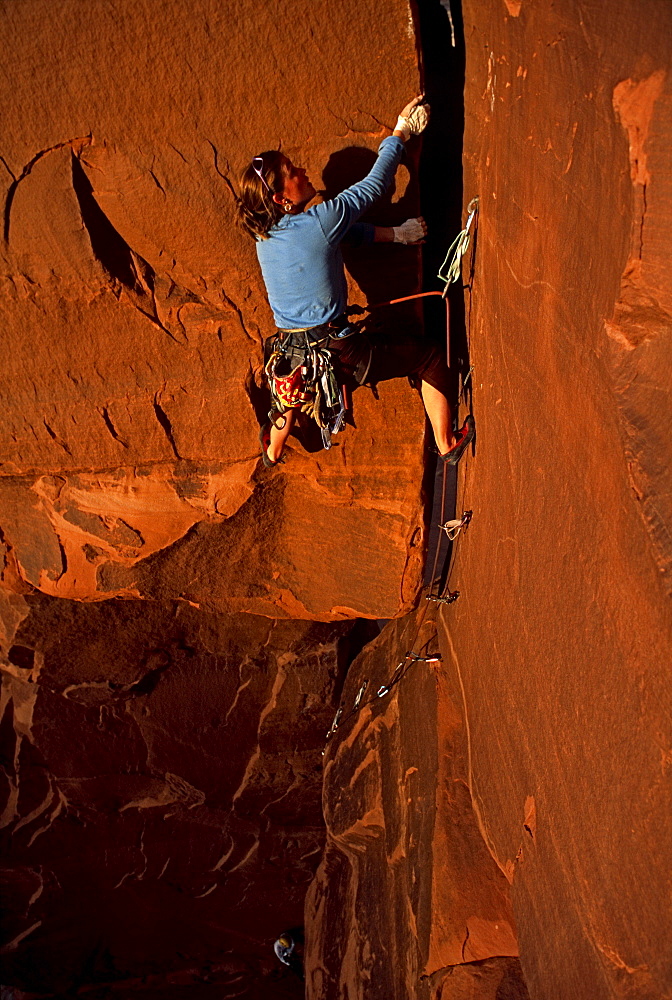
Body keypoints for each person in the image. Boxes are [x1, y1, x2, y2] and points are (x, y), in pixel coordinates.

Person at [236, 95, 475, 467]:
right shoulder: (319, 222)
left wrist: (395, 235)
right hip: (341, 353)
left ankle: (274, 448)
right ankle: (447, 445)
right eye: (292, 171)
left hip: (291, 351)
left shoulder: (264, 236)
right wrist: (400, 132)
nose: (302, 171)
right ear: (282, 198)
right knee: (428, 357)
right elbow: (375, 185)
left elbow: (340, 235)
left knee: (290, 387)